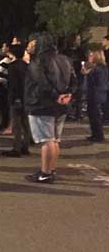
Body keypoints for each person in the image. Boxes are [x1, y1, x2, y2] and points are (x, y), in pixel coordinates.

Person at [25, 33, 77, 183]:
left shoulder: (38, 61)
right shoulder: (64, 59)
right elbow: (74, 80)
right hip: (61, 106)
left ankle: (45, 173)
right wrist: (68, 95)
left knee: (47, 140)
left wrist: (56, 96)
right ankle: (50, 169)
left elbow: (41, 83)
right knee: (54, 140)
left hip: (41, 105)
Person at [2, 44, 31, 157]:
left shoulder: (13, 67)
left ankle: (16, 148)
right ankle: (25, 146)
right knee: (25, 123)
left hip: (16, 98)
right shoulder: (26, 66)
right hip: (26, 97)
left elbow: (13, 84)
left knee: (17, 124)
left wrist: (14, 97)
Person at [82, 50, 108, 142]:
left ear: (96, 57)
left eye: (91, 55)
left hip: (94, 95)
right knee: (95, 115)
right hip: (101, 94)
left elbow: (91, 83)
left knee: (94, 116)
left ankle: (98, 136)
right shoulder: (104, 68)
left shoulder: (95, 69)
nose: (89, 57)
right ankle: (95, 135)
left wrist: (86, 74)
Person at [0, 44, 12, 134]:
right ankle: (4, 123)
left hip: (3, 85)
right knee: (3, 104)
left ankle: (5, 123)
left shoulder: (6, 60)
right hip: (3, 83)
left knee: (2, 103)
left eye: (5, 46)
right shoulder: (4, 58)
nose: (3, 48)